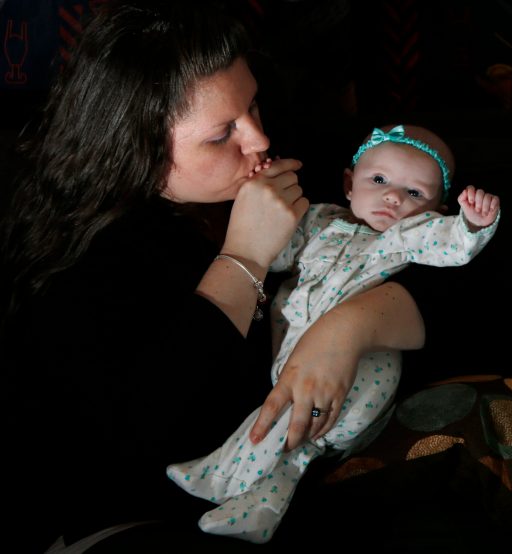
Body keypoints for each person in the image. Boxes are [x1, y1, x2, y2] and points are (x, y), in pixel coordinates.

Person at [0, 1, 426, 552]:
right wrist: (244, 256)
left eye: (253, 107)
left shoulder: (275, 168)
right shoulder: (81, 261)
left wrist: (346, 330)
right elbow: (147, 437)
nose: (259, 141)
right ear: (140, 147)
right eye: (222, 132)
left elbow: (428, 245)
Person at [166, 123, 501, 543]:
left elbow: (452, 246)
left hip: (362, 369)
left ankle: (221, 475)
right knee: (295, 443)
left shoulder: (405, 238)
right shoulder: (320, 220)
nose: (393, 196)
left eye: (415, 194)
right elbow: (275, 252)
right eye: (378, 180)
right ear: (349, 183)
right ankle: (258, 509)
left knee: (288, 411)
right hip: (299, 354)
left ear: (436, 208)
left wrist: (473, 223)